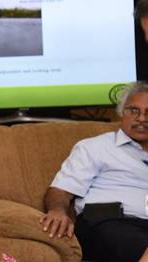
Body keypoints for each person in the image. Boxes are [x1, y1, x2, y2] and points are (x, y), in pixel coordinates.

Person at [39, 81, 148, 262]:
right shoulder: (95, 147)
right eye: (133, 110)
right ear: (122, 113)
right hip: (108, 223)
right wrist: (57, 210)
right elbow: (61, 189)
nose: (142, 118)